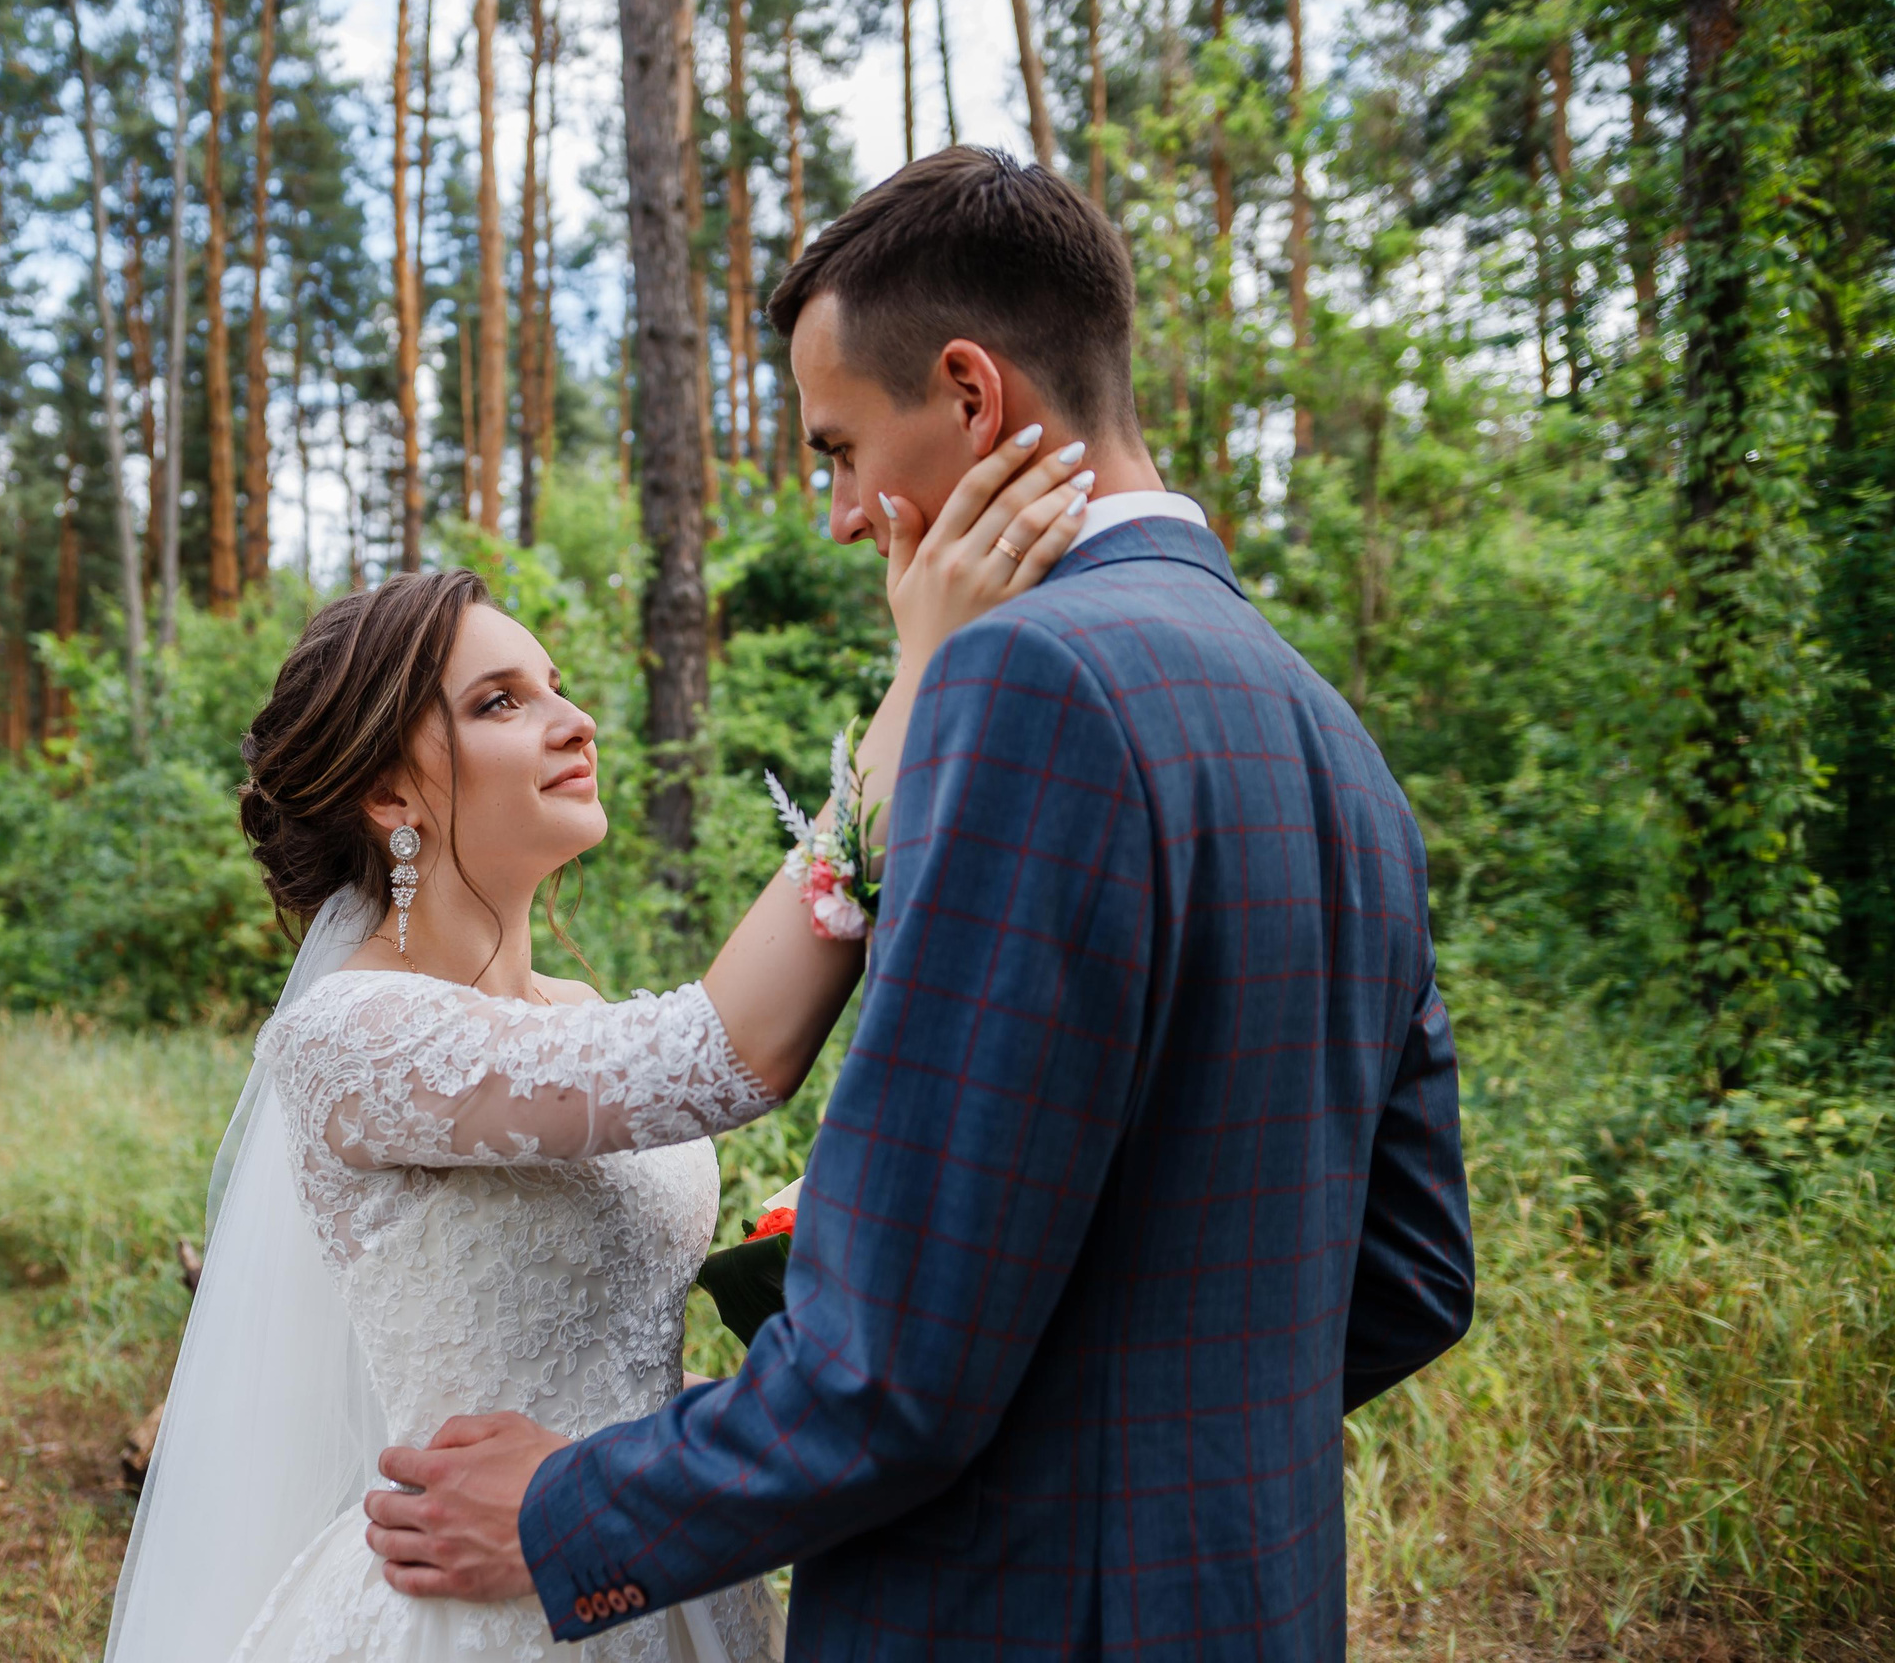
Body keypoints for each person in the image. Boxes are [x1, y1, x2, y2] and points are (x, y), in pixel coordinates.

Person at [359, 146, 1476, 1662]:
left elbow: (893, 1373)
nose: (835, 515)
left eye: (834, 450)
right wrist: (1140, 1419)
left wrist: (564, 1510)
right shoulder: (1331, 732)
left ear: (970, 394)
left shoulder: (1022, 686)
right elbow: (1411, 1272)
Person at [97, 351, 1100, 1659]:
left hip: (641, 1561)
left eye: (555, 683)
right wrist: (920, 676)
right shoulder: (352, 1036)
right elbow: (722, 1051)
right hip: (476, 1612)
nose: (572, 721)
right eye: (501, 702)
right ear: (391, 798)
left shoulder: (565, 1007)